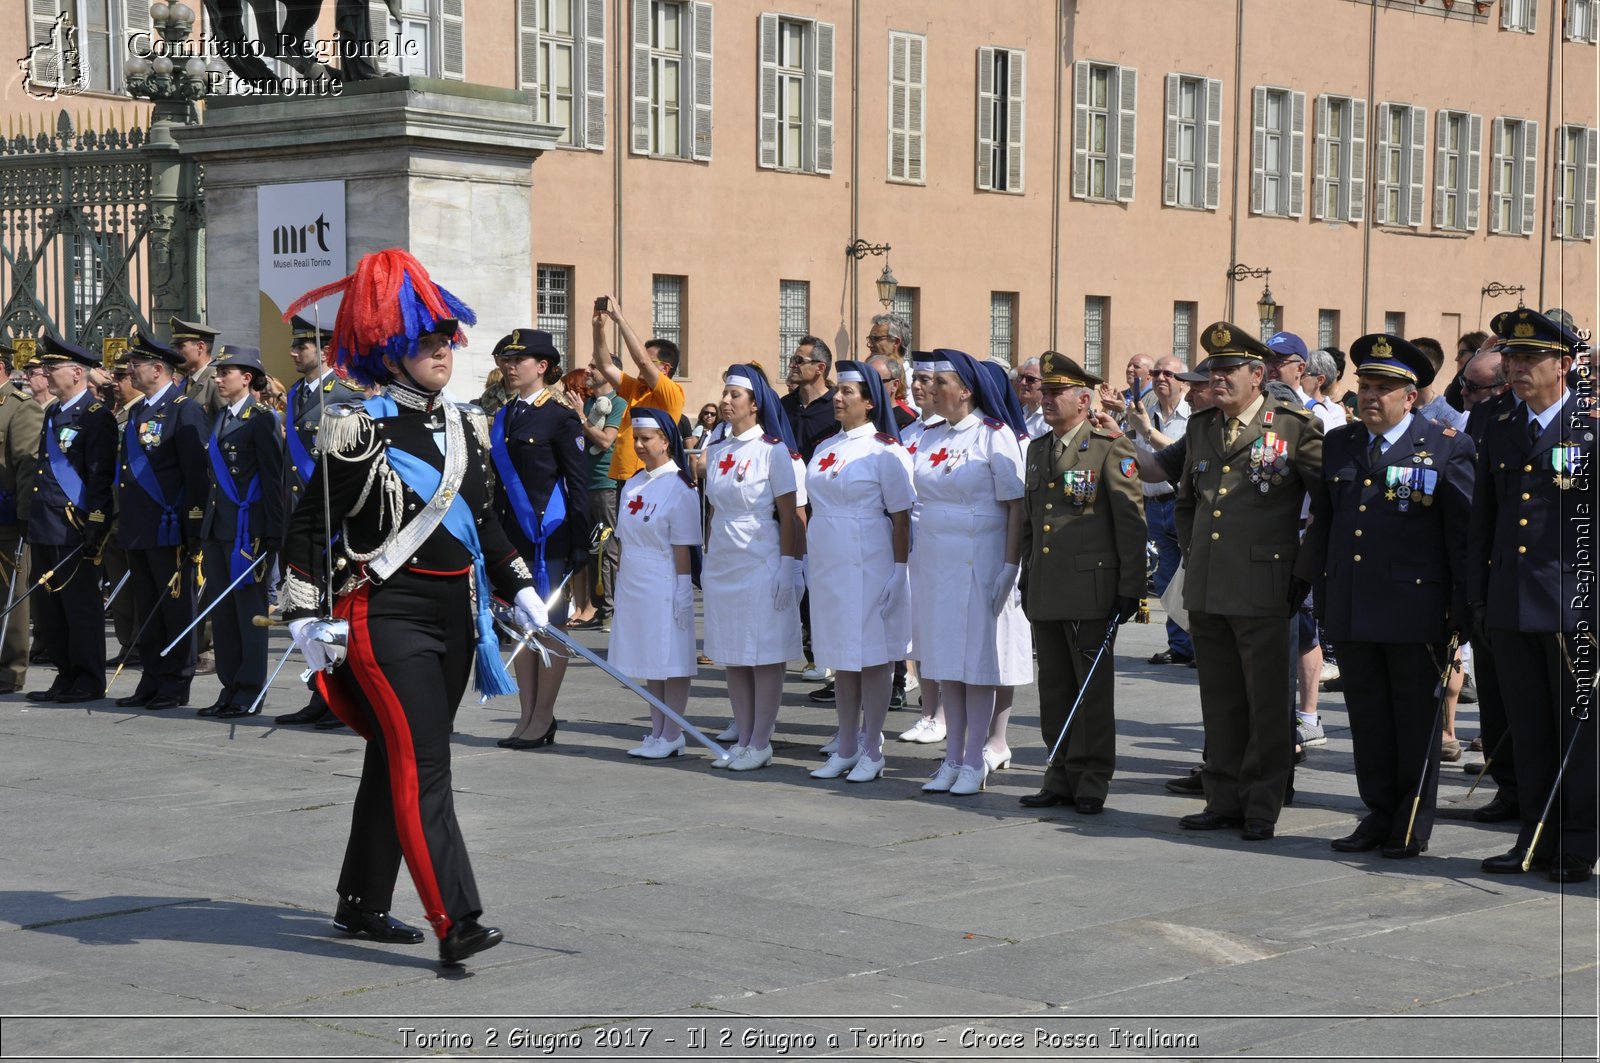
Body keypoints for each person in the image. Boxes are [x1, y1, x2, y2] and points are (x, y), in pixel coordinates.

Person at [280, 248, 545, 966]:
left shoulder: (466, 426)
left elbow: (485, 522)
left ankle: (362, 900)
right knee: (425, 763)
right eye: (425, 343)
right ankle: (454, 917)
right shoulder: (357, 425)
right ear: (390, 349)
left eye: (445, 342)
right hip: (386, 614)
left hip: (458, 615)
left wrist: (520, 585)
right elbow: (310, 522)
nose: (441, 353)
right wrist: (304, 612)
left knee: (393, 756)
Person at [1308, 334, 1475, 859]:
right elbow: (1327, 525)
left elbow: (1463, 537)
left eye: (1384, 389)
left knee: (1413, 723)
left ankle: (1410, 823)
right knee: (1369, 721)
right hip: (1354, 607)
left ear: (1412, 395)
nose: (1369, 397)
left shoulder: (1447, 445)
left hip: (1415, 612)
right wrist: (1313, 589)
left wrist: (1462, 610)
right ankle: (1377, 813)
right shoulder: (1342, 444)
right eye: (1364, 386)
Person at [1174, 322, 1326, 842]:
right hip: (1210, 584)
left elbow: (1323, 505)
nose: (1215, 379)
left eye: (1226, 370)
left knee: (1265, 702)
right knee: (1220, 700)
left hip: (1266, 583)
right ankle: (1223, 797)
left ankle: (1262, 803)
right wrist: (1194, 556)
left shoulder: (1293, 425)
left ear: (1258, 375)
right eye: (1211, 370)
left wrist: (1302, 571)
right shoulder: (1201, 426)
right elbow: (1186, 502)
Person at [1469, 308, 1595, 884]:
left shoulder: (1590, 426)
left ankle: (1575, 842)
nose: (1516, 368)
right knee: (1528, 727)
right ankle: (1533, 838)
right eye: (1512, 358)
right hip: (1512, 603)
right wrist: (1479, 597)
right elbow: (1485, 521)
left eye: (1530, 358)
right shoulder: (1498, 424)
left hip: (1574, 604)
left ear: (1564, 364)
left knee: (1578, 733)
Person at [1017, 352, 1146, 813]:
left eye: (1057, 393)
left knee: (1090, 690)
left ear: (1084, 399)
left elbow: (1130, 524)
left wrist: (1131, 587)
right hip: (1047, 587)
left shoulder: (1108, 447)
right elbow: (1034, 522)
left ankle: (1091, 778)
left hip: (1091, 590)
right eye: (1044, 392)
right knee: (1054, 689)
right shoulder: (1037, 449)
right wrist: (1025, 573)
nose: (1047, 400)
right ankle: (1060, 773)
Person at [910, 349, 1032, 797]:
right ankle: (952, 756)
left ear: (966, 389)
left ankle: (975, 757)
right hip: (937, 557)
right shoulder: (930, 437)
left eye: (942, 382)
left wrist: (1009, 564)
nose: (932, 389)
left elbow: (1016, 505)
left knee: (976, 662)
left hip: (979, 556)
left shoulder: (993, 436)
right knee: (944, 660)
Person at [805, 361, 914, 784]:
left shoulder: (885, 450)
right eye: (838, 390)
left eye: (848, 392)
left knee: (873, 656)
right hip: (830, 561)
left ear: (870, 402)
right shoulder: (824, 447)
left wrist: (899, 570)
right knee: (841, 657)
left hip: (869, 559)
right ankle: (846, 745)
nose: (837, 397)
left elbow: (902, 516)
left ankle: (872, 747)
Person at [488, 329, 590, 749]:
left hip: (551, 536)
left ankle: (544, 714)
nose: (510, 367)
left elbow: (578, 483)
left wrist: (580, 543)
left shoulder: (561, 416)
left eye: (519, 360)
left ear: (542, 366)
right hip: (513, 536)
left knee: (548, 626)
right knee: (520, 625)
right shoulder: (505, 414)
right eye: (505, 361)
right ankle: (526, 714)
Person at [701, 363, 805, 772]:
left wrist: (788, 566)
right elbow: (712, 512)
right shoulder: (719, 450)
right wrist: (707, 561)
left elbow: (789, 514)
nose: (725, 402)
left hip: (760, 555)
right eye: (724, 394)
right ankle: (742, 737)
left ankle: (761, 739)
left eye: (734, 396)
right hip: (725, 558)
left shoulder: (773, 450)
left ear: (755, 405)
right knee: (734, 654)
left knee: (763, 653)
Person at [274, 315, 366, 727]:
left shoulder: (346, 393)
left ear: (326, 351)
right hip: (304, 520)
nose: (294, 353)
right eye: (294, 347)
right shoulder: (295, 394)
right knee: (309, 611)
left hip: (334, 523)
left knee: (335, 612)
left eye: (302, 347)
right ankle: (320, 693)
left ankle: (343, 698)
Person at [114, 327, 209, 711]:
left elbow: (196, 473)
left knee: (174, 609)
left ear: (157, 369)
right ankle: (151, 678)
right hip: (139, 526)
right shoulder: (138, 410)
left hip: (169, 528)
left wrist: (193, 527)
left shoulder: (184, 409)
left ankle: (175, 682)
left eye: (136, 365)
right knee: (146, 609)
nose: (130, 371)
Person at [22, 334, 117, 704]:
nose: (46, 372)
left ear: (77, 373)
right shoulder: (53, 412)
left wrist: (94, 523)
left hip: (73, 525)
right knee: (50, 609)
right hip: (46, 522)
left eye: (53, 367)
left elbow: (99, 476)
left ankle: (88, 679)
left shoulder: (96, 416)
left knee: (79, 607)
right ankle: (64, 674)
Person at [196, 344, 286, 718]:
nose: (217, 379)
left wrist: (272, 536)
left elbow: (273, 478)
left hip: (248, 533)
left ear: (246, 378)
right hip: (219, 528)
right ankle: (229, 687)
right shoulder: (221, 417)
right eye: (217, 373)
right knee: (224, 615)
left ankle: (249, 691)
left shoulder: (261, 418)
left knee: (249, 615)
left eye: (225, 373)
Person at [610, 408, 701, 758]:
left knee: (671, 657)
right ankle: (657, 730)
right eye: (637, 438)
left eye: (647, 439)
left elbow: (682, 546)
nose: (640, 445)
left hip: (664, 579)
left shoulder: (679, 487)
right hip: (635, 578)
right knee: (650, 659)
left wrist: (682, 589)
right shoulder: (633, 483)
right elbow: (624, 538)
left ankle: (673, 731)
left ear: (666, 440)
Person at [1127, 354, 1193, 666]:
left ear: (1183, 382)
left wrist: (1146, 431)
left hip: (1179, 502)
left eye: (1168, 373)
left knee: (1189, 578)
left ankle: (1197, 643)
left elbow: (1181, 458)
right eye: (1156, 372)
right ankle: (1179, 645)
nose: (1160, 378)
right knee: (1166, 580)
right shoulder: (1145, 412)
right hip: (1153, 505)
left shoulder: (1193, 415)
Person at [895, 355, 947, 746]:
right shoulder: (909, 432)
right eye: (917, 379)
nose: (919, 386)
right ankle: (928, 710)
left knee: (940, 631)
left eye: (928, 379)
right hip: (912, 543)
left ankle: (944, 713)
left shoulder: (949, 433)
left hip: (942, 541)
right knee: (918, 634)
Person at [591, 299, 684, 486]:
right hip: (624, 477)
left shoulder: (672, 393)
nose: (642, 366)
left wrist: (620, 320)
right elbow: (605, 365)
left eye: (652, 362)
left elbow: (642, 361)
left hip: (651, 476)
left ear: (666, 368)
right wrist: (598, 328)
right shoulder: (636, 387)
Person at [567, 365, 625, 629]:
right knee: (592, 549)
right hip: (583, 483)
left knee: (607, 547)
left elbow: (605, 441)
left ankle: (611, 610)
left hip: (605, 482)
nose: (589, 369)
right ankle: (598, 608)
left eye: (595, 366)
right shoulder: (589, 401)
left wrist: (581, 416)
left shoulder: (618, 402)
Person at [0, 340, 43, 692]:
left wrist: (25, 515)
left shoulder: (19, 407)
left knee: (9, 594)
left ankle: (10, 670)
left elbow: (28, 466)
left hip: (6, 517)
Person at [170, 316, 223, 419]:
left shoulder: (215, 382)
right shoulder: (186, 381)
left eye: (180, 346)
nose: (175, 352)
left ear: (200, 347)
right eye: (174, 347)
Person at [1011, 358, 1047, 438]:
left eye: (1030, 379)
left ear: (1044, 383)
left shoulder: (1048, 419)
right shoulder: (1020, 413)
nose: (1023, 383)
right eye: (1021, 377)